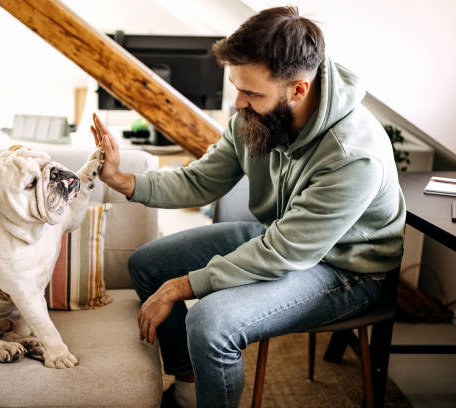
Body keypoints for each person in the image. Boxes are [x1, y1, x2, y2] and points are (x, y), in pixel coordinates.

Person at [90, 6, 405, 408]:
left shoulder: (353, 154)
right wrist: (122, 180)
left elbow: (283, 253)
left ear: (298, 90)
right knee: (147, 264)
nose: (238, 103)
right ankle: (188, 389)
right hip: (285, 235)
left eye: (252, 93)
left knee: (210, 322)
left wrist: (181, 287)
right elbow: (201, 180)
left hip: (348, 270)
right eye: (236, 86)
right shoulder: (253, 116)